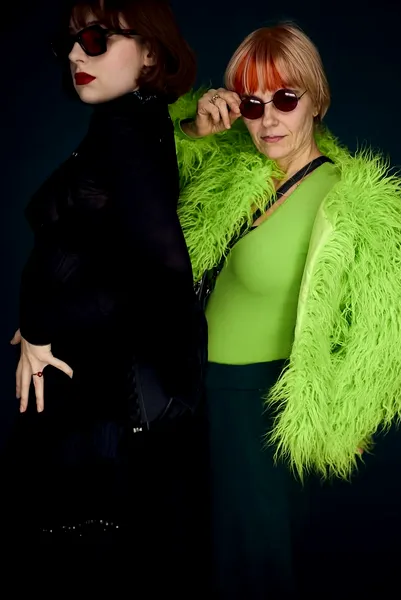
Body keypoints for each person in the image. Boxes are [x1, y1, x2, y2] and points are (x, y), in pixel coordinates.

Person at [167, 22, 401, 598]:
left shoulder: (350, 201)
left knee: (252, 568)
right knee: (193, 559)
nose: (268, 120)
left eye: (285, 99)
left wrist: (346, 411)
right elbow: (138, 193)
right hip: (191, 392)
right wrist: (194, 132)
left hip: (261, 404)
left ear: (316, 100)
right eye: (253, 104)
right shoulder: (229, 168)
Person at [4, 0, 205, 561]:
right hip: (90, 391)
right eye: (69, 42)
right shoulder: (132, 121)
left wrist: (42, 324)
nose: (75, 54)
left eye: (95, 40)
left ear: (149, 52)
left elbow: (164, 276)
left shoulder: (126, 128)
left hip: (99, 400)